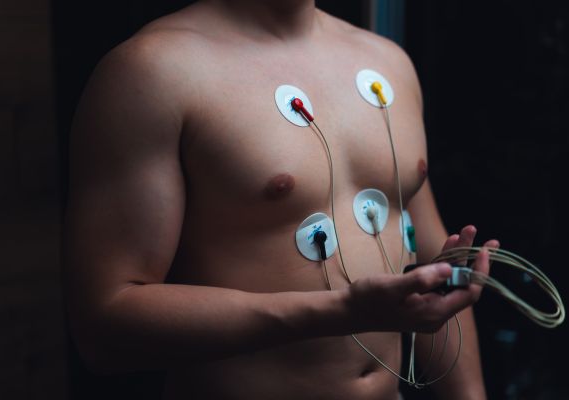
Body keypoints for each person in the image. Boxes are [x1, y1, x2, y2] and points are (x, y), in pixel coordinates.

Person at [64, 1, 499, 398]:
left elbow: (436, 267)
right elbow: (104, 330)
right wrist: (341, 312)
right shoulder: (153, 71)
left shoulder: (389, 62)